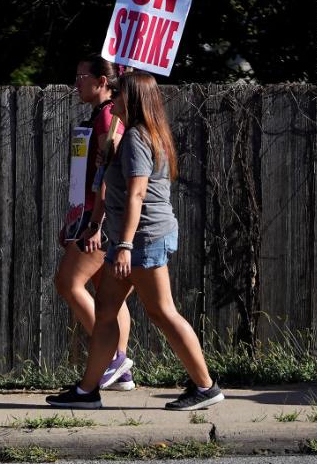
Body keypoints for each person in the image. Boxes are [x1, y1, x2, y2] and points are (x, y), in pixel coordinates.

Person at [47, 71, 224, 411]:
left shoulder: (137, 138)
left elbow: (136, 194)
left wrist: (125, 245)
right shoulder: (129, 137)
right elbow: (111, 188)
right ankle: (87, 391)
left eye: (119, 93)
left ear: (133, 99)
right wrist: (97, 217)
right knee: (106, 312)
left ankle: (206, 386)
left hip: (143, 237)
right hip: (129, 237)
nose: (112, 98)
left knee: (162, 312)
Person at [54, 56, 134, 390]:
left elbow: (107, 175)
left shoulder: (107, 117)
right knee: (109, 295)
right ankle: (120, 373)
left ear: (102, 81)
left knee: (68, 284)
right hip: (89, 214)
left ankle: (114, 359)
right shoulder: (104, 115)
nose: (77, 83)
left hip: (98, 217)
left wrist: (95, 224)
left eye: (82, 76)